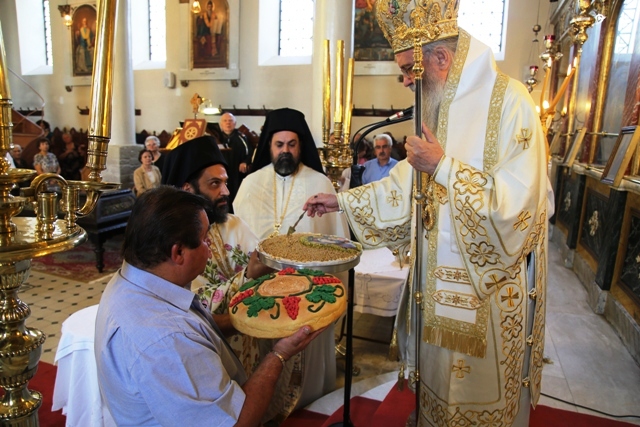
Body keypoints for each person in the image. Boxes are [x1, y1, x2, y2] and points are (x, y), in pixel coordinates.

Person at [303, 2, 553, 426]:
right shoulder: (435, 106)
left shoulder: (511, 100)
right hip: (435, 292)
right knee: (436, 393)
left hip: (488, 298)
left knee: (477, 402)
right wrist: (342, 201)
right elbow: (407, 185)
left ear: (441, 58)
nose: (404, 81)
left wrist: (444, 167)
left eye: (408, 70)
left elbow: (522, 207)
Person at [94, 186, 323, 426]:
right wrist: (280, 353)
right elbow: (238, 421)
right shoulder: (166, 340)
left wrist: (247, 322)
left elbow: (196, 328)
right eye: (205, 240)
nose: (210, 247)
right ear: (179, 252)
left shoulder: (133, 279)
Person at [233, 108, 349, 421]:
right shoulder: (250, 185)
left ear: (301, 146)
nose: (285, 150)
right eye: (279, 144)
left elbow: (335, 246)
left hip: (308, 295)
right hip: (262, 293)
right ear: (269, 147)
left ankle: (310, 407)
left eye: (292, 144)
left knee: (307, 359)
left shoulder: (320, 182)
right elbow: (238, 242)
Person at [161, 136, 271, 372]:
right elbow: (193, 304)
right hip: (204, 354)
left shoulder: (234, 224)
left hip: (250, 345)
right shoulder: (173, 244)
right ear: (187, 189)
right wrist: (247, 277)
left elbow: (263, 265)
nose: (226, 191)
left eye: (225, 182)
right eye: (214, 184)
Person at [219, 112, 252, 206]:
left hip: (237, 174)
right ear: (221, 124)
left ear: (235, 123)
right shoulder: (216, 138)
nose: (228, 123)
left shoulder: (241, 137)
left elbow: (250, 152)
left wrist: (245, 162)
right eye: (225, 121)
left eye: (230, 121)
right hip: (222, 172)